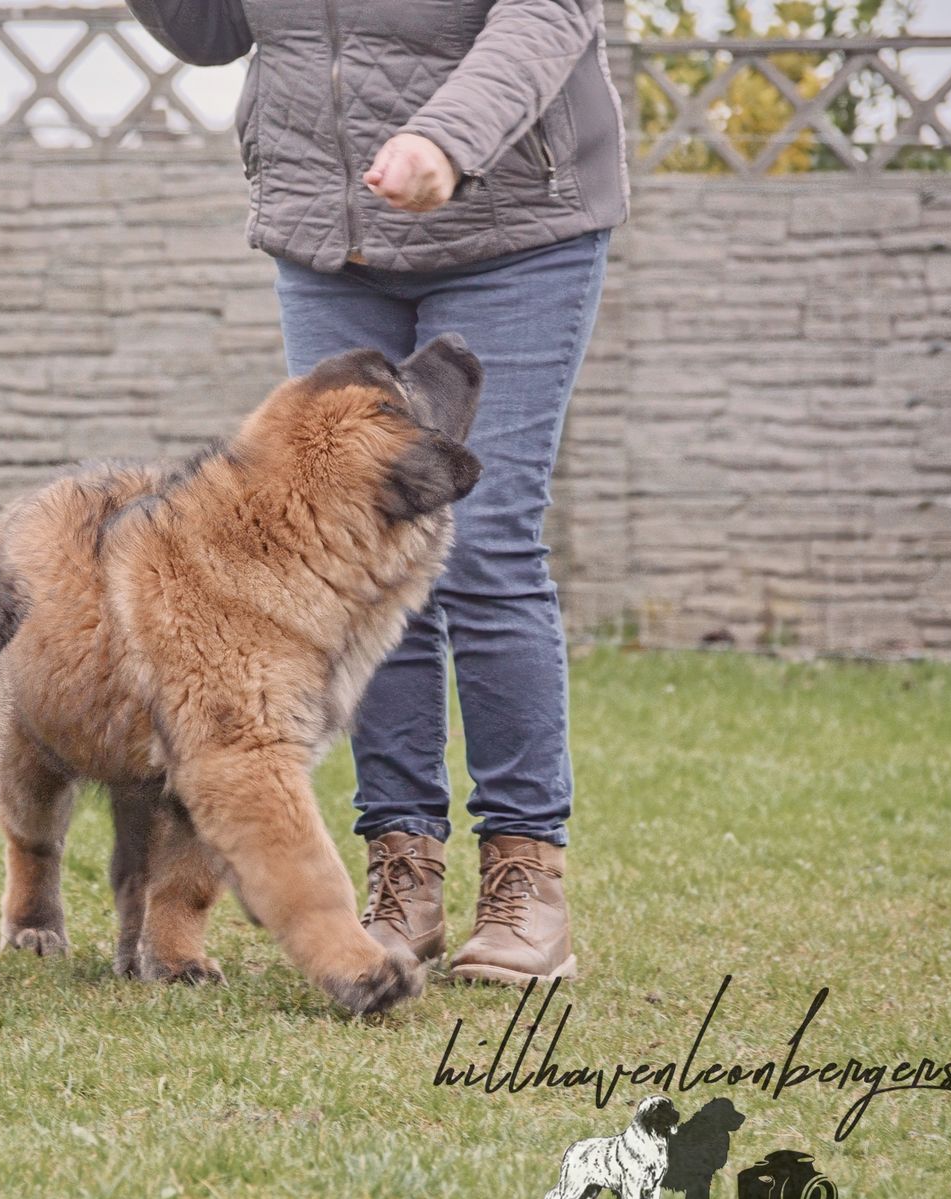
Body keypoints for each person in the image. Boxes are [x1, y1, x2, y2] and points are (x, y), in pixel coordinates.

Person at [123, 0, 628, 985]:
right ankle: (402, 867)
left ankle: (526, 877)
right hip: (332, 232)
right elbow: (216, 31)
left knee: (481, 542)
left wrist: (449, 135)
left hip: (511, 223)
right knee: (351, 567)